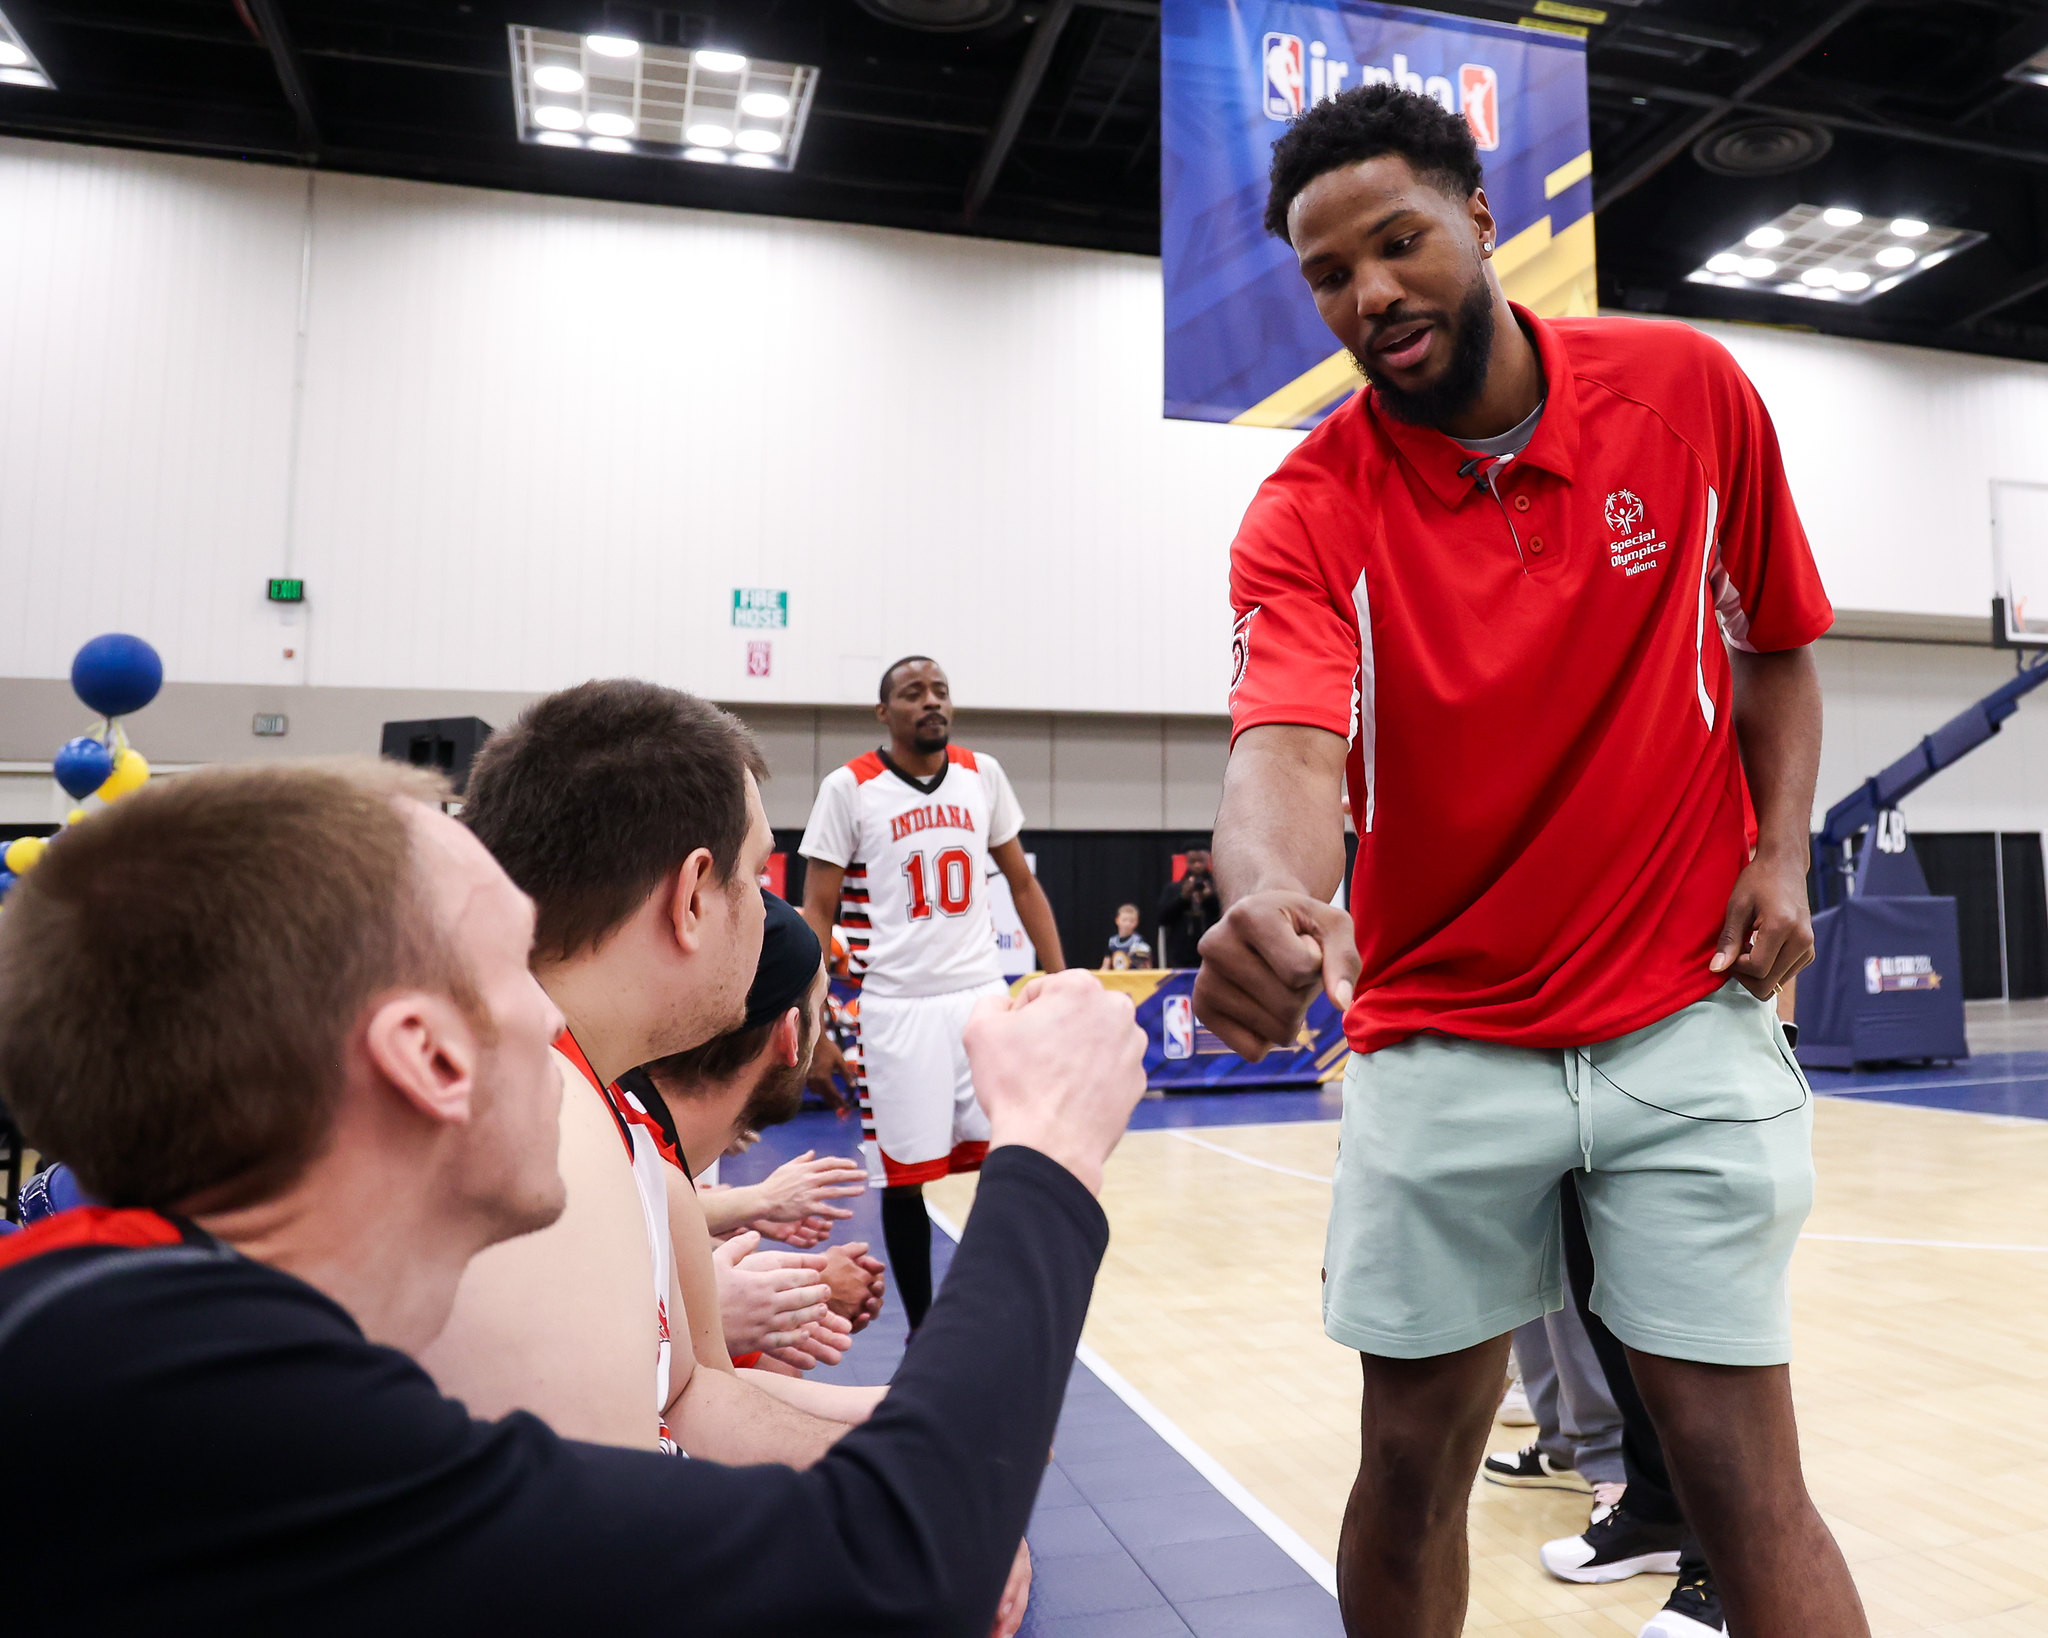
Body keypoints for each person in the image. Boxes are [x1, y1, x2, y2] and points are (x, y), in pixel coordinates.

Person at [1193, 85, 1863, 1638]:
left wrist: (1780, 857)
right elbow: (1284, 743)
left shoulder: (1687, 394)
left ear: (1486, 225)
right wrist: (1270, 897)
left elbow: (1777, 647)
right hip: (1439, 1029)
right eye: (1329, 272)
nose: (1370, 293)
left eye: (1399, 241)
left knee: (1734, 1468)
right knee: (1410, 1454)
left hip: (1678, 1003)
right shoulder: (1306, 510)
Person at [0, 759, 1148, 1633]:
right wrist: (1043, 1149)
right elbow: (904, 1565)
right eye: (512, 970)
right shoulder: (202, 1414)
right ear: (427, 1058)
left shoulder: (148, 1341)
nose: (554, 1022)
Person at [421, 680, 841, 1463]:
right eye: (753, 879)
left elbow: (685, 1397)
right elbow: (597, 1552)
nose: (762, 909)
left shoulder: (600, 1100)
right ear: (691, 898)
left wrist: (913, 1460)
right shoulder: (536, 1139)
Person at [798, 655, 1066, 1331]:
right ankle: (925, 1331)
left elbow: (1023, 885)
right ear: (884, 712)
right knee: (903, 1176)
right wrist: (812, 1024)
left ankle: (988, 1314)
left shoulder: (984, 774)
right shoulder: (848, 788)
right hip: (895, 1004)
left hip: (979, 991)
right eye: (913, 693)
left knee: (1005, 1160)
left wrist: (1059, 981)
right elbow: (816, 912)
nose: (931, 701)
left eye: (940, 690)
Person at [1155, 848, 1220, 967]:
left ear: (1208, 861)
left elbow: (1227, 915)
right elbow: (1162, 918)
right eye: (1193, 861)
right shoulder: (1173, 889)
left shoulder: (1218, 887)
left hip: (1214, 951)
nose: (1197, 865)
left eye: (1201, 861)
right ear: (1186, 863)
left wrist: (1210, 898)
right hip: (1181, 954)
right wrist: (1183, 898)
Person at [1101, 902, 1154, 971]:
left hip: (1134, 978)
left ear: (1136, 922)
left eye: (1131, 921)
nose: (1127, 924)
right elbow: (1105, 966)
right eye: (1124, 920)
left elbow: (1147, 966)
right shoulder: (1112, 942)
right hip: (1116, 978)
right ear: (1117, 920)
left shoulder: (1138, 941)